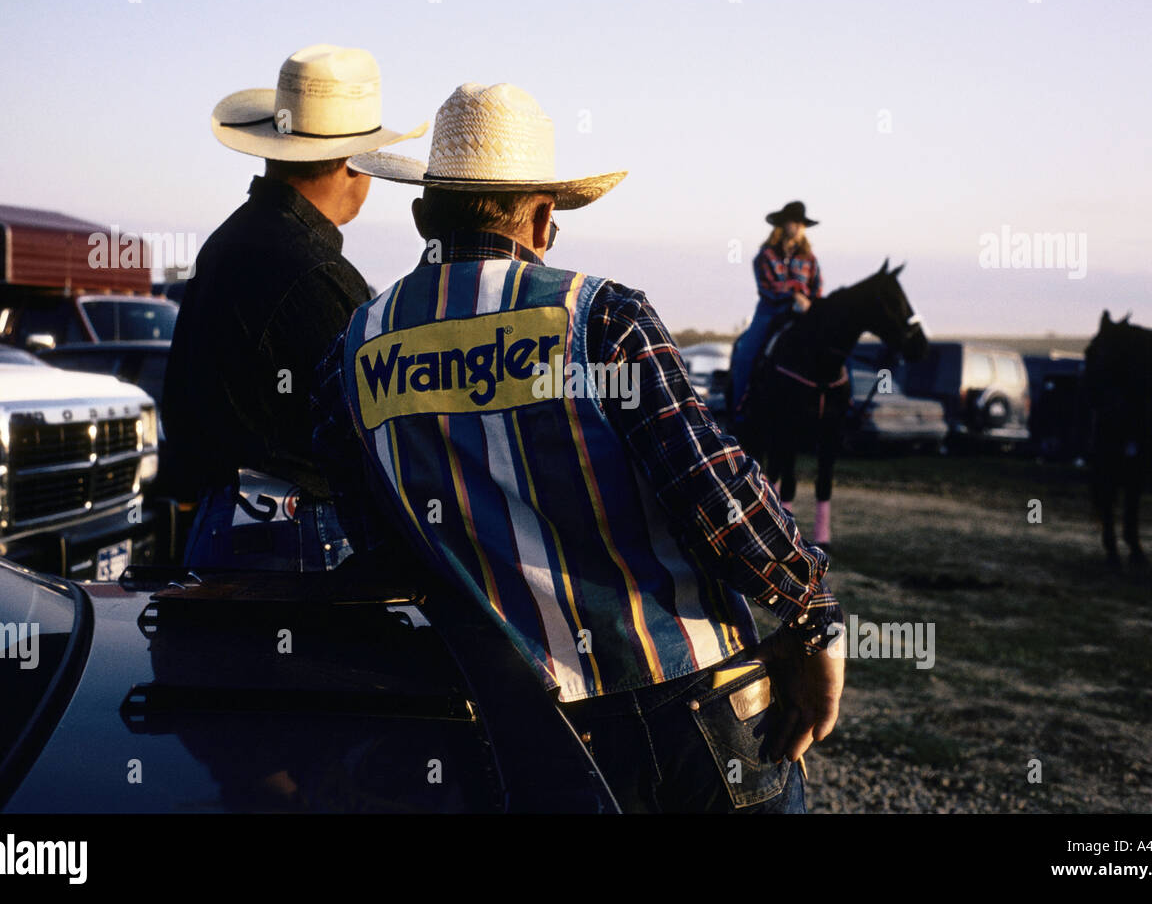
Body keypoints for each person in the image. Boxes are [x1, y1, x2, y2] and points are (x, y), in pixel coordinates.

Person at [310, 82, 844, 813]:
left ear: (420, 213)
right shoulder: (600, 316)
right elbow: (716, 493)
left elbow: (381, 549)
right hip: (691, 704)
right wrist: (812, 613)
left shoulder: (350, 351)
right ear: (543, 216)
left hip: (516, 731)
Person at [163, 44, 425, 571]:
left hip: (220, 524)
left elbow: (179, 407)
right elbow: (377, 435)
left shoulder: (226, 244)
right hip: (297, 535)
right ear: (355, 164)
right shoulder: (318, 274)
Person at [728, 201, 824, 430]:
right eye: (796, 223)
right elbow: (767, 288)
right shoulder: (766, 255)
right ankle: (739, 409)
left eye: (802, 224)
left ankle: (840, 406)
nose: (800, 228)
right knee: (745, 354)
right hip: (771, 310)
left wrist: (810, 301)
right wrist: (794, 294)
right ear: (784, 225)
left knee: (832, 346)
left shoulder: (809, 258)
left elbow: (817, 285)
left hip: (804, 312)